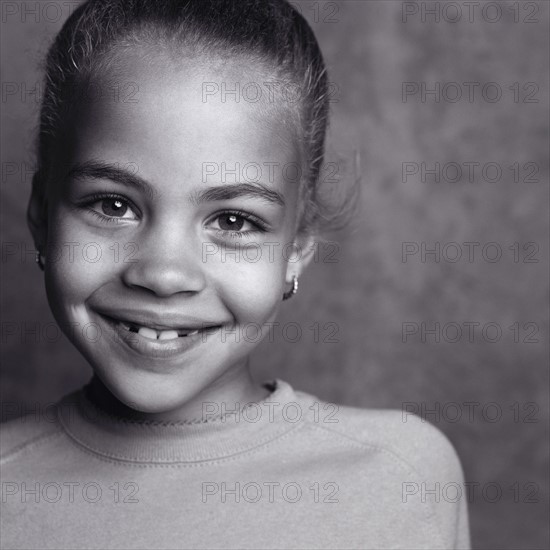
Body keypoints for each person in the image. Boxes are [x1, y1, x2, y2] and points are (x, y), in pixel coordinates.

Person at [1, 0, 470, 548]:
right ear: (41, 217)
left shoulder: (401, 479)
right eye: (113, 206)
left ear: (296, 248)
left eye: (233, 220)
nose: (164, 274)